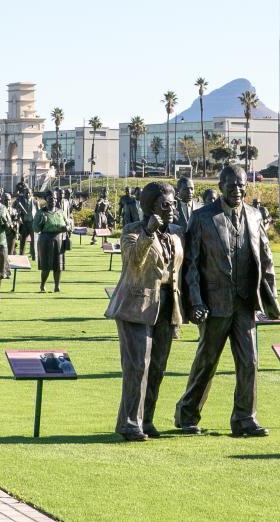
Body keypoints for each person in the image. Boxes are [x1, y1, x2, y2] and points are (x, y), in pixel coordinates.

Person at [174, 165, 280, 437]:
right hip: (214, 303)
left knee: (249, 361)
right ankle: (187, 414)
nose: (237, 190)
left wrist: (272, 300)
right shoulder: (202, 218)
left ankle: (245, 418)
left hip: (245, 302)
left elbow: (266, 259)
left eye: (241, 186)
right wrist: (196, 301)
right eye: (231, 186)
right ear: (220, 186)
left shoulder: (255, 216)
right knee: (207, 362)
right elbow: (192, 264)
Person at [106, 182, 183, 441]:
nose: (171, 208)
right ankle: (129, 423)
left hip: (165, 306)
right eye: (165, 204)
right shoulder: (131, 231)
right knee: (138, 365)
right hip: (134, 306)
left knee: (157, 367)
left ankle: (146, 420)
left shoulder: (175, 235)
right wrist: (148, 233)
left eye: (173, 203)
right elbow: (133, 262)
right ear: (150, 207)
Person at [33, 190, 72, 293]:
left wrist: (67, 227)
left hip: (59, 239)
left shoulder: (60, 212)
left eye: (55, 198)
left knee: (58, 265)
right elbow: (35, 228)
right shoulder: (41, 212)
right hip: (45, 239)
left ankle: (57, 286)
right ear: (46, 200)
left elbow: (68, 223)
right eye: (51, 199)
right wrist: (42, 222)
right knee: (46, 265)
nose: (53, 200)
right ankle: (42, 285)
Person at [14, 186, 38, 259]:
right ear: (23, 193)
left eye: (29, 193)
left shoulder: (35, 201)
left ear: (31, 194)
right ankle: (21, 255)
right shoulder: (20, 200)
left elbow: (39, 212)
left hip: (32, 223)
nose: (27, 194)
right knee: (22, 240)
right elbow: (14, 209)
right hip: (24, 223)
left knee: (34, 240)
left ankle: (34, 256)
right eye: (26, 193)